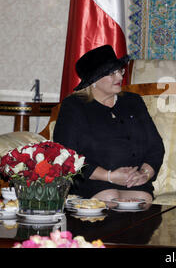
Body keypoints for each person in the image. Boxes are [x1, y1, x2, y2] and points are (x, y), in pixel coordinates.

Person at [53, 45, 164, 203]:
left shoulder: (133, 101)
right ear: (94, 81)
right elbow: (66, 154)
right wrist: (109, 176)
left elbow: (156, 146)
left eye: (120, 71)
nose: (119, 77)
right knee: (109, 196)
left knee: (142, 199)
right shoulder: (74, 106)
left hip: (133, 181)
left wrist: (144, 174)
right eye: (112, 73)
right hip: (91, 180)